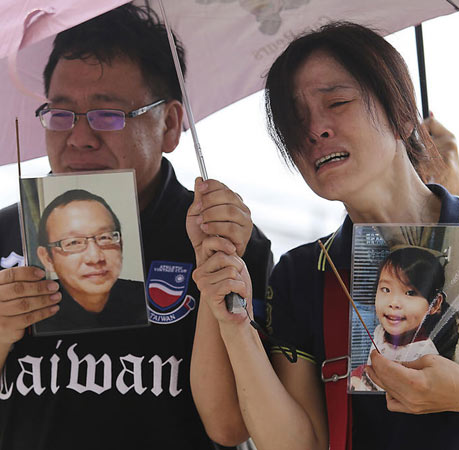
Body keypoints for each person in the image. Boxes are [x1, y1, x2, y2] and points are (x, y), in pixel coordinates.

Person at [189, 21, 459, 450]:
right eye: (296, 120)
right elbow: (297, 444)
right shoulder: (304, 274)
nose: (314, 130)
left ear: (400, 111)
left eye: (337, 102)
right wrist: (235, 324)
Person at [0, 5, 272, 450]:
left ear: (169, 124)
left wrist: (217, 275)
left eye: (108, 116)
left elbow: (230, 428)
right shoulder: (6, 234)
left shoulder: (224, 240)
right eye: (61, 114)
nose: (80, 137)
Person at [34, 189, 148, 334]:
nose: (95, 258)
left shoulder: (146, 298)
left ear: (121, 244)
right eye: (74, 242)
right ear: (47, 258)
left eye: (105, 238)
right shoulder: (35, 312)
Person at [350, 246, 456, 392]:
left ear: (435, 304)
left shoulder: (426, 356)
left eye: (410, 293)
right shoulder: (380, 331)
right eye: (386, 290)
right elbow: (372, 368)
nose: (393, 303)